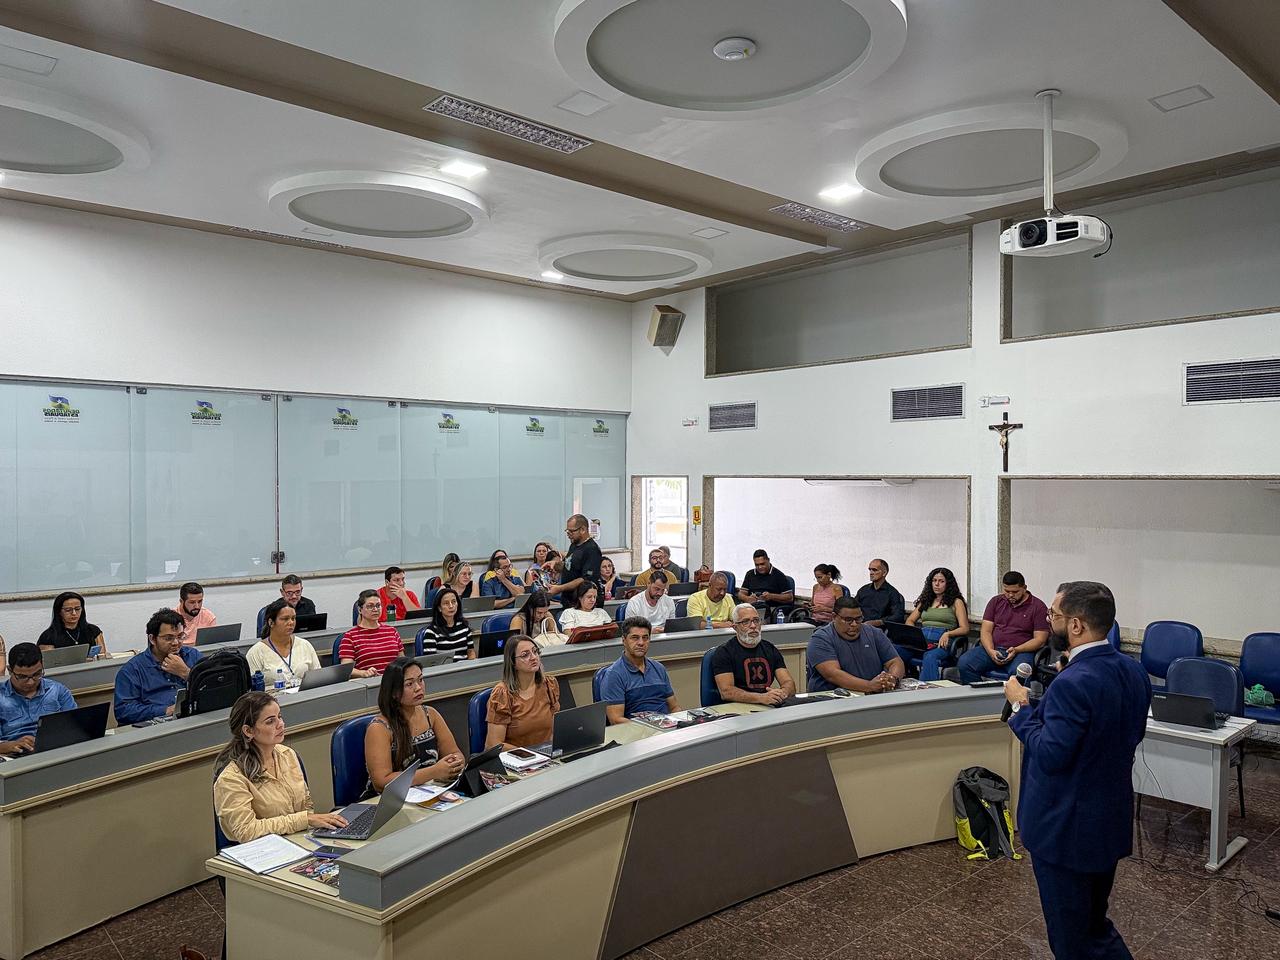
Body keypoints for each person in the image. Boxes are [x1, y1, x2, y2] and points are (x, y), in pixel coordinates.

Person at [1005, 581, 1151, 960]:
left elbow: (1051, 754)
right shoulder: (1134, 671)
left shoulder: (1074, 682)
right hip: (1107, 818)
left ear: (1075, 625)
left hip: (1065, 827)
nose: (1048, 620)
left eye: (1053, 615)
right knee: (1094, 925)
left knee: (1071, 938)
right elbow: (1130, 733)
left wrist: (1022, 707)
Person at [213, 692, 347, 842]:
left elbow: (306, 805)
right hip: (261, 852)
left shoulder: (287, 754)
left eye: (280, 717)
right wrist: (304, 820)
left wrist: (306, 824)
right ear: (248, 731)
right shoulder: (231, 778)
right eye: (270, 721)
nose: (281, 724)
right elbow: (245, 831)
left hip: (298, 840)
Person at [365, 657, 465, 792]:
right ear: (394, 692)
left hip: (429, 791)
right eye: (409, 684)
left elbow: (454, 752)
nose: (418, 688)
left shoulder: (431, 714)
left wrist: (455, 763)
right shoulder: (379, 728)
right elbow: (382, 782)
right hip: (389, 800)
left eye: (420, 680)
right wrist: (433, 772)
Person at [958, 571, 1049, 684]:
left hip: (1021, 652)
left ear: (1024, 588)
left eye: (1015, 592)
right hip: (994, 648)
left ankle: (1013, 701)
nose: (1010, 595)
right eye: (1007, 591)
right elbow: (986, 631)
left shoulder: (1038, 607)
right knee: (965, 663)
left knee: (1019, 673)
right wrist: (991, 650)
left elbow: (1040, 640)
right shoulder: (996, 602)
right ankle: (980, 698)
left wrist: (1017, 649)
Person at [114, 608, 203, 724]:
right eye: (169, 638)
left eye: (180, 636)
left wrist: (186, 673)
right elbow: (123, 711)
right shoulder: (132, 670)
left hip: (194, 718)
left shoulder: (193, 656)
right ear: (152, 639)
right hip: (155, 725)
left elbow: (213, 688)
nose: (176, 642)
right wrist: (165, 710)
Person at [806, 596, 904, 694]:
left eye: (858, 619)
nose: (854, 624)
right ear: (834, 617)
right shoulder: (820, 639)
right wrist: (869, 686)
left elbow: (895, 662)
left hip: (872, 695)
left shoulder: (874, 633)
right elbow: (833, 675)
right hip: (832, 699)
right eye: (848, 620)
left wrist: (892, 679)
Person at [0, 643, 78, 756]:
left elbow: (76, 727)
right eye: (22, 677)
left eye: (37, 674)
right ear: (10, 670)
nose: (30, 682)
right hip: (13, 755)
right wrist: (10, 745)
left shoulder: (57, 690)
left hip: (56, 749)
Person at [711, 605, 797, 706]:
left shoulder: (770, 649)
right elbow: (726, 692)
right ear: (735, 627)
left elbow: (788, 682)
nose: (753, 626)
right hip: (736, 710)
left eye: (756, 620)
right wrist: (761, 698)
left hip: (766, 705)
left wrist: (782, 694)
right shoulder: (724, 652)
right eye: (745, 622)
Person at [484, 636, 561, 750]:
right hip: (517, 759)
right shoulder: (503, 694)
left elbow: (556, 728)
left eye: (535, 651)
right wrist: (530, 755)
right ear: (513, 663)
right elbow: (493, 744)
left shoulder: (549, 685)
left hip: (547, 755)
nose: (534, 657)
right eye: (525, 655)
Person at [599, 618, 679, 723]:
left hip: (666, 730)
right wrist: (649, 728)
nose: (641, 643)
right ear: (624, 640)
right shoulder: (613, 675)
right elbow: (616, 720)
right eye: (635, 638)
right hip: (636, 733)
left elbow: (674, 708)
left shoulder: (659, 668)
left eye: (645, 638)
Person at [907, 567, 971, 682]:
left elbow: (965, 628)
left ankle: (929, 691)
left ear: (948, 584)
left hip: (942, 640)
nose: (937, 584)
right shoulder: (926, 600)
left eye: (941, 581)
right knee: (895, 650)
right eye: (934, 581)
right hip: (922, 639)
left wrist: (948, 634)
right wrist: (913, 635)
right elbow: (910, 620)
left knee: (930, 656)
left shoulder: (956, 602)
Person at [247, 599, 323, 687]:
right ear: (271, 622)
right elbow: (253, 691)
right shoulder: (256, 652)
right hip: (272, 698)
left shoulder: (305, 645)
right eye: (285, 619)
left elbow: (318, 678)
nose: (291, 623)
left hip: (303, 696)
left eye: (293, 618)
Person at [339, 590, 406, 678]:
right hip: (369, 683)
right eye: (370, 606)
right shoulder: (350, 637)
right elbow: (346, 669)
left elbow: (402, 661)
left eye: (378, 606)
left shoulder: (392, 631)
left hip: (394, 681)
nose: (375, 609)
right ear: (360, 610)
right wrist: (363, 673)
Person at [545, 514, 602, 602]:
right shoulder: (574, 545)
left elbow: (585, 579)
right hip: (568, 599)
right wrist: (555, 564)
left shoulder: (592, 549)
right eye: (567, 531)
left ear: (583, 529)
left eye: (571, 531)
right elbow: (570, 566)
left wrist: (560, 588)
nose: (568, 534)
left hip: (582, 602)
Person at [37, 591, 110, 658]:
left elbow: (102, 657)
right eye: (68, 610)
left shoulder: (93, 630)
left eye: (77, 609)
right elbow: (50, 664)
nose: (74, 613)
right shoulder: (48, 637)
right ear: (59, 612)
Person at [420, 587, 473, 661]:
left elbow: (471, 652)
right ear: (439, 608)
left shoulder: (464, 626)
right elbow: (430, 662)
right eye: (446, 603)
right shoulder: (431, 632)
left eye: (454, 601)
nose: (451, 606)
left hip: (464, 668)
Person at [737, 549, 794, 616]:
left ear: (768, 560)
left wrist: (771, 596)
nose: (760, 567)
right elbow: (740, 594)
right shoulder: (750, 574)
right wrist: (747, 598)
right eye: (757, 565)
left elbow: (789, 597)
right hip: (752, 607)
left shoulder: (778, 575)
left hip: (771, 609)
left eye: (762, 564)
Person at [854, 559, 906, 628]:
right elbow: (853, 606)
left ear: (884, 573)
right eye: (870, 570)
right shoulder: (863, 590)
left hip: (879, 629)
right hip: (859, 626)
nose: (871, 573)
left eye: (874, 570)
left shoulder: (892, 593)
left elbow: (898, 616)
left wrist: (879, 622)